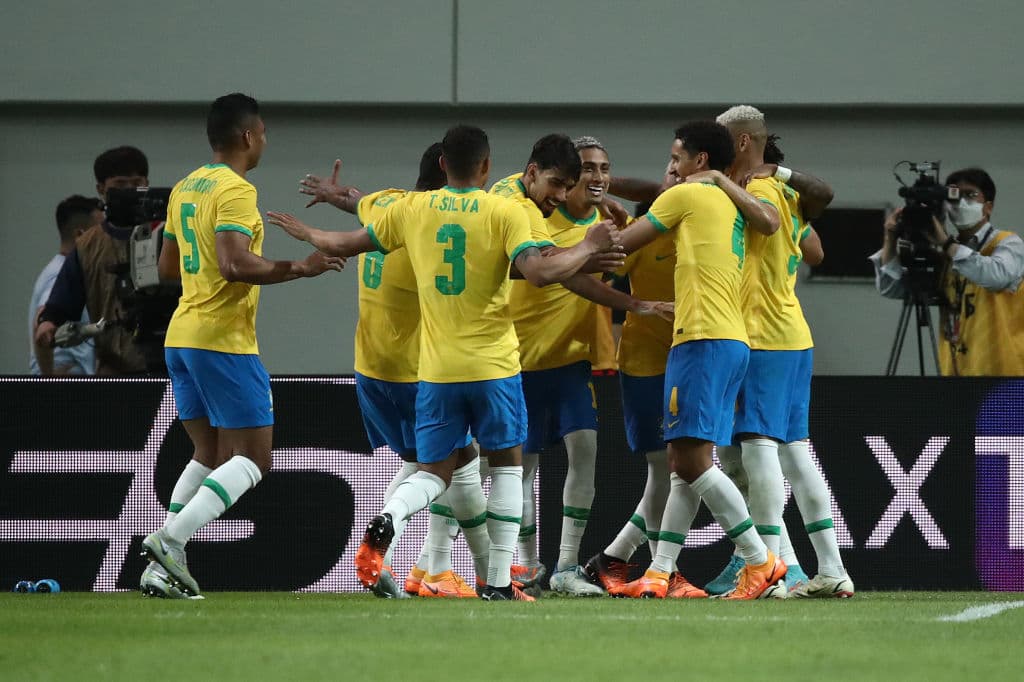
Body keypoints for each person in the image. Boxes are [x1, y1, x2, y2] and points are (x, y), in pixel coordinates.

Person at [267, 124, 623, 601]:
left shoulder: (410, 208)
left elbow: (344, 242)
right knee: (507, 468)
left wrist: (304, 231)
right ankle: (498, 582)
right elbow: (539, 272)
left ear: (442, 164)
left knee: (434, 472)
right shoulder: (504, 210)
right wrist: (589, 246)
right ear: (487, 166)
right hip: (493, 366)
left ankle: (390, 518)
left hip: (434, 371)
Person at [138, 93, 344, 599]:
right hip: (221, 340)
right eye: (264, 132)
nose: (265, 141)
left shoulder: (187, 186)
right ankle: (171, 540)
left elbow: (166, 268)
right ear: (249, 136)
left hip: (182, 336)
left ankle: (163, 568)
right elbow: (234, 265)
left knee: (208, 453)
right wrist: (300, 267)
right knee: (254, 458)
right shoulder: (235, 190)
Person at [609, 120, 788, 600]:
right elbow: (770, 222)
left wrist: (544, 254)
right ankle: (659, 571)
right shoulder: (730, 200)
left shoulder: (687, 194)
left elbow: (618, 247)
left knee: (688, 461)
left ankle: (760, 561)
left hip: (701, 338)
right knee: (686, 463)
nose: (670, 168)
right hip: (731, 340)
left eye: (676, 158)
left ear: (700, 160)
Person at [492, 135, 671, 595]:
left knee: (585, 452)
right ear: (564, 179)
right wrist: (596, 261)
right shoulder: (534, 216)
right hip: (519, 356)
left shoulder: (606, 222)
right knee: (521, 469)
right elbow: (562, 276)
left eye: (604, 168)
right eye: (587, 169)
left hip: (572, 359)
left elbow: (656, 193)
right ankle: (526, 564)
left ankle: (567, 566)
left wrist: (605, 193)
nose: (597, 176)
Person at [299, 145, 478, 599]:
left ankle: (406, 564)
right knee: (456, 463)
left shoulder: (385, 202)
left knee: (424, 463)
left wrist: (336, 195)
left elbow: (358, 201)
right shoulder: (432, 223)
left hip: (370, 367)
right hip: (416, 371)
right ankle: (450, 570)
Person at [704, 105, 852, 599]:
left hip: (761, 335)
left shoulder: (760, 193)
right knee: (795, 452)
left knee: (757, 448)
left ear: (743, 142)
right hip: (793, 336)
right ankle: (830, 568)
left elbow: (772, 226)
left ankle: (769, 570)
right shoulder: (785, 193)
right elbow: (815, 252)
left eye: (723, 142)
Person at [584, 169, 705, 599]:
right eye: (669, 169)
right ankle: (662, 572)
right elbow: (590, 280)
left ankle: (619, 559)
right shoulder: (641, 234)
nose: (672, 176)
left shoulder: (702, 232)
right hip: (645, 365)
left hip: (693, 361)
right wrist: (637, 305)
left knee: (682, 471)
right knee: (665, 470)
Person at [872, 167, 1024, 376]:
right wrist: (890, 239)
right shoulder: (946, 257)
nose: (961, 202)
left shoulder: (1007, 243)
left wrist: (946, 243)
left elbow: (996, 276)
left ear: (988, 207)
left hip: (1003, 377)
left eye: (970, 195)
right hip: (955, 376)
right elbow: (893, 289)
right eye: (955, 196)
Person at [35, 147, 153, 375]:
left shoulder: (168, 233)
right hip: (113, 369)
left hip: (169, 367)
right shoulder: (87, 246)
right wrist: (48, 323)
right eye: (120, 184)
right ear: (101, 189)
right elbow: (60, 305)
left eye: (137, 183)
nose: (130, 191)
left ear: (147, 183)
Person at [29, 195, 102, 375]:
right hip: (68, 385)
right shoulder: (58, 276)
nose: (104, 239)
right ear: (80, 235)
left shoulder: (62, 272)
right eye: (99, 232)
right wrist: (50, 379)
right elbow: (41, 323)